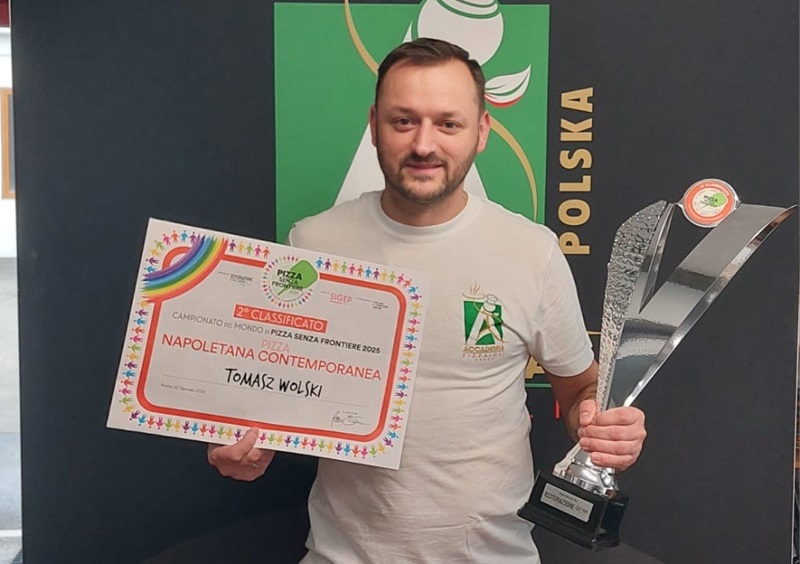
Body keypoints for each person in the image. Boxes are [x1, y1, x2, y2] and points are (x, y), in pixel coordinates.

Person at [208, 38, 646, 563]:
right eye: (403, 121)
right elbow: (277, 393)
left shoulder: (532, 251)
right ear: (374, 125)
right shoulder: (312, 244)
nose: (423, 144)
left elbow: (578, 391)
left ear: (481, 131)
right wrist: (248, 443)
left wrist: (599, 423)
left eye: (448, 123)